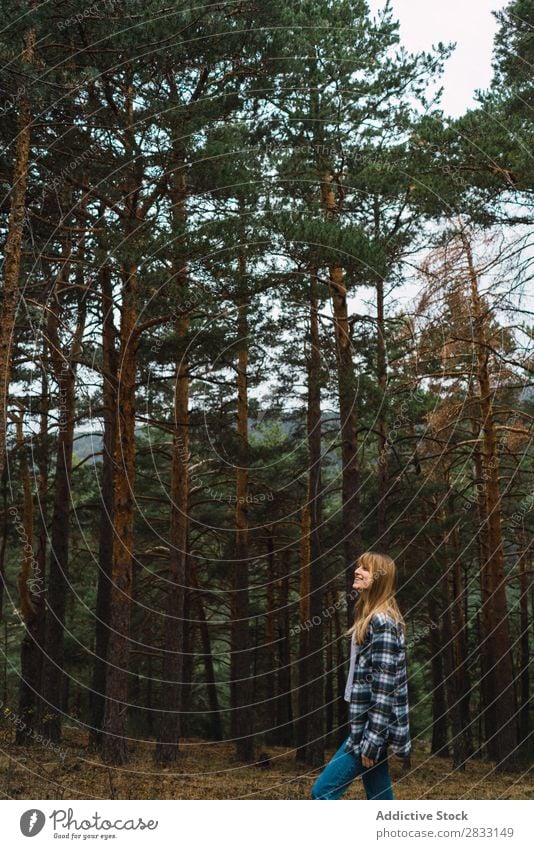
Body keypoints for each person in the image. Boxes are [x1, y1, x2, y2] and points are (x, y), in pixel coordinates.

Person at [311, 551, 411, 800]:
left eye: (365, 569)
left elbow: (384, 686)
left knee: (322, 793)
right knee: (380, 799)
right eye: (358, 566)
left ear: (379, 578)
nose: (357, 571)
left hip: (370, 730)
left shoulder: (382, 622)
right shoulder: (369, 617)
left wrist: (373, 739)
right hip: (369, 725)